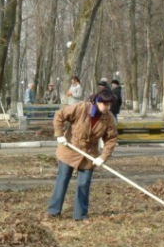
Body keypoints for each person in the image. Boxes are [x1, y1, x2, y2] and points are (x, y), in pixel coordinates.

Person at [46, 89, 118, 221]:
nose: (107, 107)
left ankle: (81, 215)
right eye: (105, 104)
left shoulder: (109, 118)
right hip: (70, 148)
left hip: (89, 154)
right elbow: (59, 115)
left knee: (84, 184)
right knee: (62, 179)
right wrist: (59, 135)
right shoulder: (81, 108)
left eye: (109, 104)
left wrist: (103, 157)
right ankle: (53, 211)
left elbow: (111, 139)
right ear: (97, 101)